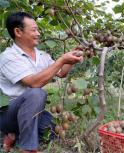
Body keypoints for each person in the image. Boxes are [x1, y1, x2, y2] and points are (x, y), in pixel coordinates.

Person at [0, 12, 83, 153]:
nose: (38, 33)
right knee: (36, 93)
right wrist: (61, 59)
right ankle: (27, 148)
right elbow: (34, 83)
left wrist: (72, 57)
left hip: (31, 112)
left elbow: (61, 72)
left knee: (54, 131)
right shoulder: (8, 57)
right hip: (8, 113)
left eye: (38, 29)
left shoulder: (41, 56)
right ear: (18, 32)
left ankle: (13, 136)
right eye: (34, 30)